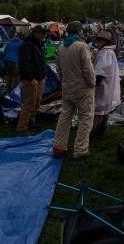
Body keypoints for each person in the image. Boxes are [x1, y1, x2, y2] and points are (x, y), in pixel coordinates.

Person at [52, 21, 96, 159]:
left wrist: (63, 81)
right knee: (85, 118)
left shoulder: (61, 48)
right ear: (78, 31)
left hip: (67, 87)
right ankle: (80, 149)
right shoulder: (81, 46)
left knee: (64, 117)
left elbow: (58, 69)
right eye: (82, 30)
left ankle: (59, 146)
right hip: (82, 88)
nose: (83, 32)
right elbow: (88, 69)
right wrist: (92, 83)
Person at [16, 25, 47, 135]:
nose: (44, 35)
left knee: (37, 102)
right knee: (29, 103)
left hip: (39, 78)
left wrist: (42, 76)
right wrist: (30, 78)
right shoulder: (28, 45)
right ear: (36, 33)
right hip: (31, 79)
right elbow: (24, 63)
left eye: (45, 33)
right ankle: (21, 127)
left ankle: (31, 121)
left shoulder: (39, 45)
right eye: (42, 33)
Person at [91, 30, 120, 135]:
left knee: (99, 110)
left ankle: (96, 130)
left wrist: (95, 84)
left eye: (99, 40)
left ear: (104, 41)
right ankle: (101, 129)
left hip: (103, 85)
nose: (97, 42)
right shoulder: (107, 51)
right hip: (105, 85)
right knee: (103, 110)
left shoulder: (106, 52)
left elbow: (102, 70)